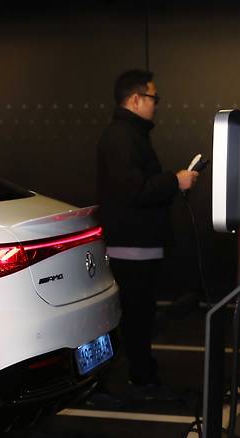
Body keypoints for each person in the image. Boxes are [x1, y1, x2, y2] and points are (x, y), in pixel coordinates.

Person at [96, 69, 198, 392]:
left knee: (142, 314)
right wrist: (175, 180)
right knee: (137, 316)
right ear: (135, 99)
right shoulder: (120, 137)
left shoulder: (132, 135)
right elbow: (133, 190)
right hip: (131, 247)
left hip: (140, 245)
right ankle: (140, 377)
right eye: (154, 98)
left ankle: (142, 373)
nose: (157, 105)